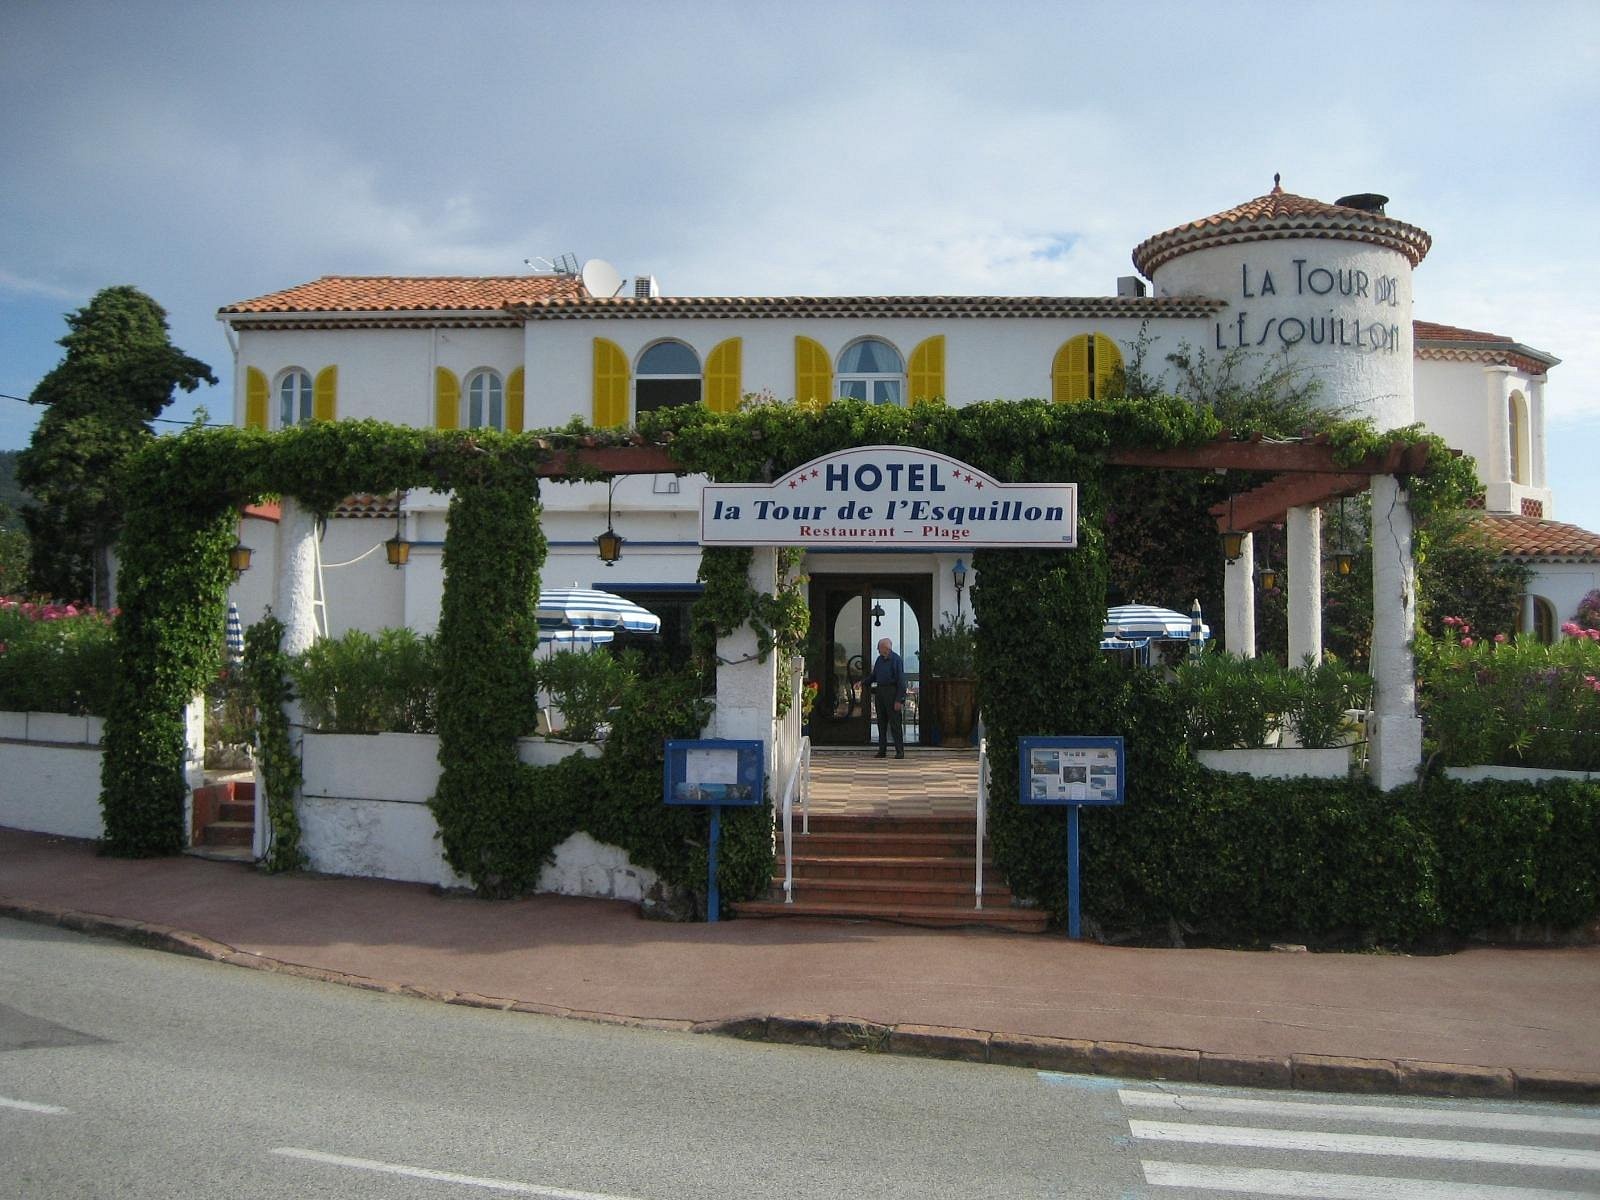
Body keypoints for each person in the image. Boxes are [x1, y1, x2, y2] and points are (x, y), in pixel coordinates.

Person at [869, 636, 906, 758]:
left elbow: (901, 681)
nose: (878, 650)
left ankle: (899, 751)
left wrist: (899, 699)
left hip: (892, 692)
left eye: (879, 648)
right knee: (881, 723)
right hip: (880, 692)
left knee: (895, 724)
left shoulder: (896, 660)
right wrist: (863, 682)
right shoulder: (879, 660)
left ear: (885, 648)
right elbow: (874, 676)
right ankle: (882, 750)